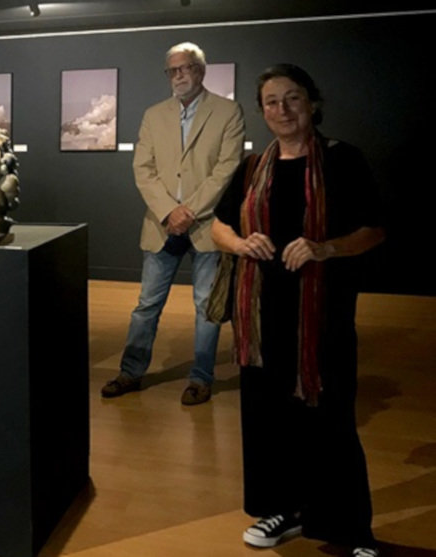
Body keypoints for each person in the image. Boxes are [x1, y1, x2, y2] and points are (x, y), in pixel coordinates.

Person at [211, 64, 384, 557]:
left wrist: (326, 248)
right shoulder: (251, 167)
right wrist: (243, 243)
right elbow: (217, 227)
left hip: (321, 318)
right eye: (271, 101)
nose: (282, 110)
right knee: (269, 422)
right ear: (261, 110)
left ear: (311, 103)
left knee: (329, 419)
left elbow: (374, 229)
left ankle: (349, 529)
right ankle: (283, 511)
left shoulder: (341, 160)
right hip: (261, 322)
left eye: (292, 99)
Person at [101, 42, 244, 405]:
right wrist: (168, 211)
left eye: (186, 68)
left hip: (206, 225)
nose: (179, 75)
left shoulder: (228, 112)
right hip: (162, 225)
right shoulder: (153, 115)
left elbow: (226, 170)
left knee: (205, 307)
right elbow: (143, 170)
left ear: (201, 70)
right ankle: (130, 372)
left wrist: (189, 211)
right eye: (173, 70)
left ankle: (201, 377)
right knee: (147, 304)